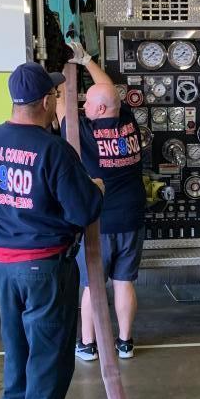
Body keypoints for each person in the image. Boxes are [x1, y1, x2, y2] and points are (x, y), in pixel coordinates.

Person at [0, 62, 104, 399]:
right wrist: (96, 187)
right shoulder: (52, 150)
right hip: (43, 268)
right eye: (54, 96)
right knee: (50, 355)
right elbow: (83, 209)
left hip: (3, 264)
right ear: (47, 101)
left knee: (16, 347)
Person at [57, 43, 146, 361]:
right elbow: (109, 92)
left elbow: (59, 104)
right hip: (133, 218)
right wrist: (86, 61)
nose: (83, 108)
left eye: (88, 105)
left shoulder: (83, 133)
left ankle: (87, 345)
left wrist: (66, 69)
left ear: (97, 111)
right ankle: (125, 343)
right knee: (124, 282)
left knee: (92, 286)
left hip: (100, 223)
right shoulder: (128, 123)